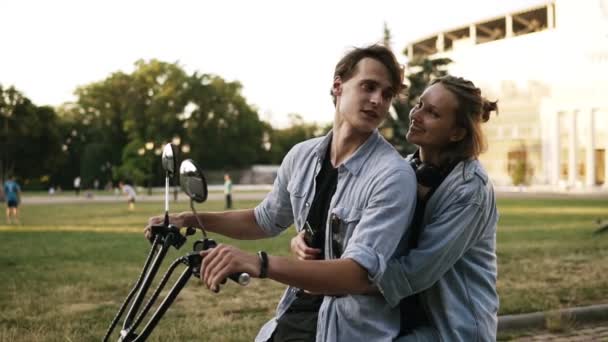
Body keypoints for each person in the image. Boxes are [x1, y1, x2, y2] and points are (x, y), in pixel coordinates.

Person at [145, 44, 417, 341]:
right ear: (338, 86)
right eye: (368, 86)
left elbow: (357, 274)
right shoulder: (302, 156)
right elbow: (264, 219)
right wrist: (190, 219)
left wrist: (260, 263)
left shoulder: (392, 175)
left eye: (387, 94)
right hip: (295, 311)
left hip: (347, 327)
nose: (378, 100)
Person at [291, 75, 500, 341]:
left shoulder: (470, 191)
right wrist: (308, 239)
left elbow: (413, 273)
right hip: (402, 318)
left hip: (450, 328)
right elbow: (352, 223)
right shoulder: (403, 171)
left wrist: (339, 278)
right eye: (420, 104)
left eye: (432, 113)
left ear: (457, 133)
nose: (417, 115)